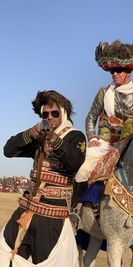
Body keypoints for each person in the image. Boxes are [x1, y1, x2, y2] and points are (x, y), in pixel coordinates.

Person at [0, 90, 86, 267]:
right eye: (45, 114)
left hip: (51, 216)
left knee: (46, 262)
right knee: (7, 255)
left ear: (64, 113)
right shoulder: (39, 137)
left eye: (55, 113)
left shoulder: (75, 136)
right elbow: (8, 150)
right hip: (27, 208)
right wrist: (31, 133)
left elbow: (75, 162)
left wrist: (55, 140)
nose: (50, 117)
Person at [75, 39, 133, 186]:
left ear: (129, 72)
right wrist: (92, 137)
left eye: (118, 70)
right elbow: (91, 117)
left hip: (131, 145)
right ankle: (81, 204)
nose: (114, 74)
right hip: (105, 143)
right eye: (112, 71)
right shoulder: (103, 92)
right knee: (83, 164)